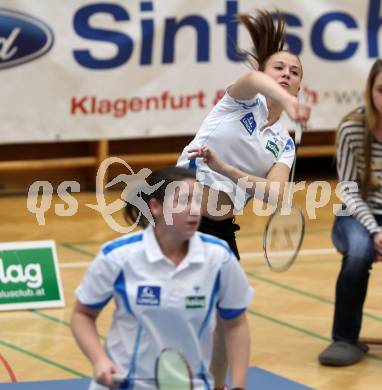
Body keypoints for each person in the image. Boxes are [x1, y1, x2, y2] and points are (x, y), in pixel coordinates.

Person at [176, 9, 310, 388]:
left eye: (294, 71)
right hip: (177, 210)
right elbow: (252, 77)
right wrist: (282, 95)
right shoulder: (239, 101)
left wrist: (230, 171)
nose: (286, 73)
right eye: (278, 68)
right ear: (267, 78)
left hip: (219, 226)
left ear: (300, 87)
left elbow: (275, 194)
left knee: (228, 313)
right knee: (176, 303)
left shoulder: (284, 142)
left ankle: (219, 385)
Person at [70, 166, 254, 390]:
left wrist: (239, 386)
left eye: (197, 200)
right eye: (183, 201)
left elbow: (235, 324)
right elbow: (82, 314)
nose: (194, 209)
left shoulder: (219, 258)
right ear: (155, 207)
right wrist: (99, 360)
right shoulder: (118, 257)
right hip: (123, 384)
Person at [318, 59, 382, 366]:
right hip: (356, 216)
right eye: (381, 89)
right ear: (370, 91)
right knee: (359, 252)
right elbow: (347, 190)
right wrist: (375, 230)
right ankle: (344, 339)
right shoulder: (352, 129)